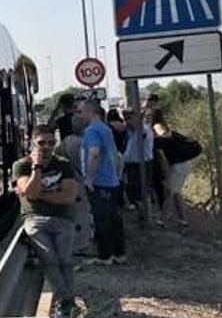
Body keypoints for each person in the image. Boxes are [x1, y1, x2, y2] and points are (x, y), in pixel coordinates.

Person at [13, 125, 80, 318]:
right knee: (50, 260)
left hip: (63, 219)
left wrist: (40, 195)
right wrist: (37, 168)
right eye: (42, 143)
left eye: (52, 142)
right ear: (32, 142)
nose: (47, 147)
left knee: (65, 261)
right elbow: (31, 193)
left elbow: (68, 197)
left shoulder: (63, 164)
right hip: (35, 220)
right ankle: (66, 301)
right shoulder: (22, 165)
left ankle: (66, 303)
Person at [80, 100, 126, 265]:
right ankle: (119, 253)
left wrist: (89, 178)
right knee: (114, 217)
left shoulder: (91, 131)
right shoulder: (106, 129)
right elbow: (115, 155)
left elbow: (94, 153)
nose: (81, 116)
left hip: (100, 181)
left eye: (82, 112)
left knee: (101, 218)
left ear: (91, 113)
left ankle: (104, 256)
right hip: (112, 179)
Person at [54, 114, 94, 256]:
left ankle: (75, 243)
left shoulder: (65, 142)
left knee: (73, 215)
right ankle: (85, 243)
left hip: (70, 181)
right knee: (85, 213)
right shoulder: (86, 142)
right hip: (85, 181)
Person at [150, 109, 192, 227]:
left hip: (178, 164)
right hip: (181, 163)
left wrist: (166, 170)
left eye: (149, 115)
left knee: (169, 191)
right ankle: (183, 219)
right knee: (175, 192)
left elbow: (162, 152)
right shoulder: (162, 127)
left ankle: (162, 219)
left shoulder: (158, 128)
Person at [122, 108, 155, 216]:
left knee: (142, 191)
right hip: (131, 165)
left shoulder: (143, 129)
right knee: (133, 192)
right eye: (126, 119)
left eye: (130, 118)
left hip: (141, 165)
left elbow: (141, 131)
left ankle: (146, 215)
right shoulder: (131, 132)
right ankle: (142, 213)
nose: (127, 121)